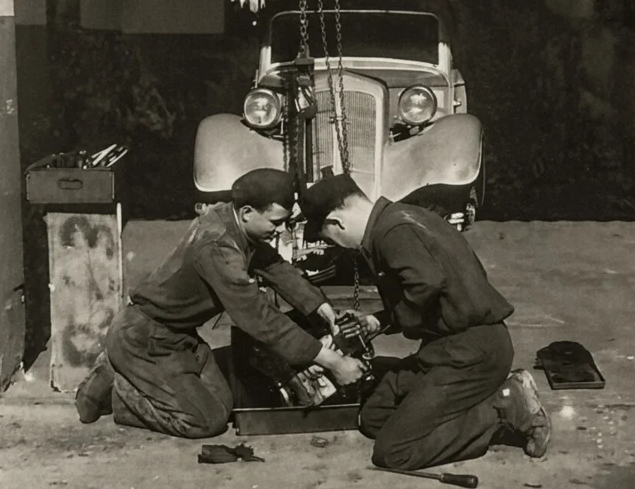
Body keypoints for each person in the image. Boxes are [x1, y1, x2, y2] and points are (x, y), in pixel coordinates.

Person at [74, 169, 367, 438]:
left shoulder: (233, 221)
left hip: (179, 337)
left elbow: (276, 268)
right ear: (248, 212)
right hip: (145, 339)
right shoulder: (218, 248)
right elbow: (258, 318)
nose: (282, 231)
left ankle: (138, 375)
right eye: (277, 223)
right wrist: (333, 362)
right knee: (205, 421)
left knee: (224, 403)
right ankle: (118, 389)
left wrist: (323, 310)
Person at [298, 174, 552, 470]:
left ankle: (504, 406)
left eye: (332, 240)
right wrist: (376, 322)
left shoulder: (392, 233)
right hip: (448, 347)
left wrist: (398, 319)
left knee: (394, 452)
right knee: (375, 416)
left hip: (471, 354)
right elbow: (430, 289)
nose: (340, 246)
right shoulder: (403, 218)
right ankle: (451, 407)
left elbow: (427, 284)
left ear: (336, 222)